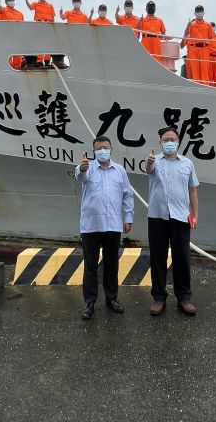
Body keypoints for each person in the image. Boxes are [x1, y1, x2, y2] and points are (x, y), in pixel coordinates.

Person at [74, 137, 133, 320]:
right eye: (98, 148)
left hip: (113, 225)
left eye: (105, 148)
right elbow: (80, 176)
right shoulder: (87, 168)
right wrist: (82, 168)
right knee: (90, 266)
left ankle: (112, 299)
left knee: (111, 265)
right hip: (91, 226)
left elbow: (128, 195)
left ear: (111, 149)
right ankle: (89, 302)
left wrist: (128, 217)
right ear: (93, 151)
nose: (102, 151)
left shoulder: (120, 171)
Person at [146, 126, 199, 316]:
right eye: (166, 140)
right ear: (160, 142)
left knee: (182, 258)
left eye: (173, 140)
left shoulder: (187, 163)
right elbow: (148, 169)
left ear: (178, 142)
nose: (169, 143)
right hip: (157, 216)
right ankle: (159, 297)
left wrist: (195, 214)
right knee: (158, 257)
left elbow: (193, 190)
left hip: (181, 216)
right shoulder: (154, 161)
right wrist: (149, 162)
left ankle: (184, 297)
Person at [181, 5, 215, 86]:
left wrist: (206, 47)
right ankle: (197, 88)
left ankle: (205, 88)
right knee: (195, 71)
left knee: (204, 71)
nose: (199, 13)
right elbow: (185, 35)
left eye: (200, 11)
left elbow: (210, 38)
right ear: (195, 13)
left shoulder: (208, 25)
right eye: (197, 11)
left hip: (204, 49)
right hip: (193, 49)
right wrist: (187, 26)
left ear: (203, 12)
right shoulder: (191, 24)